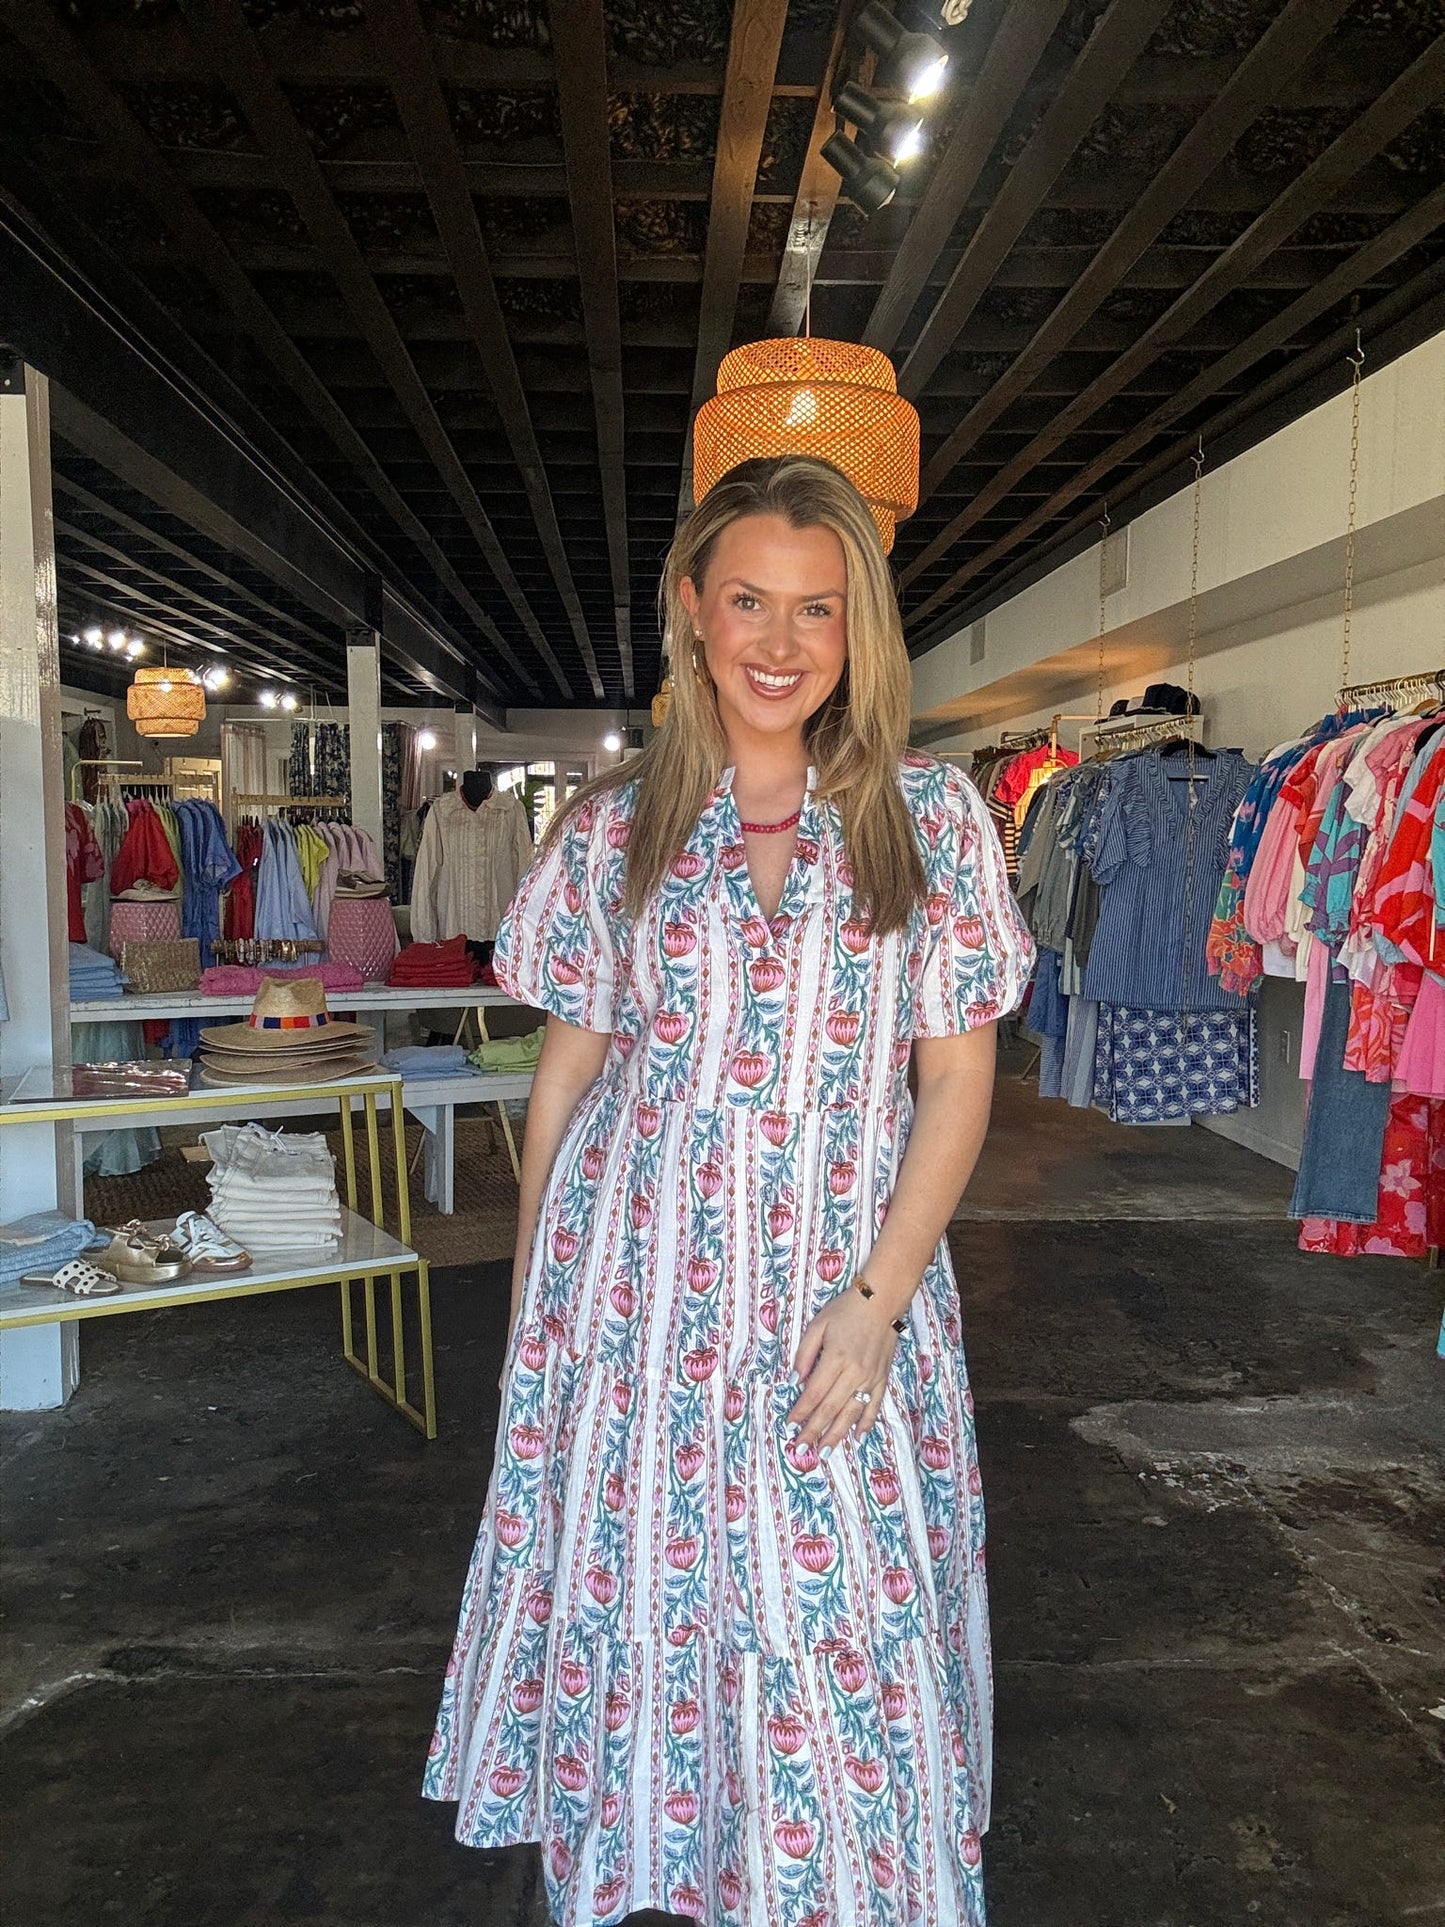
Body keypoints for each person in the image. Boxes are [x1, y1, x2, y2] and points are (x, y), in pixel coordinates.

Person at [422, 454, 1034, 1926]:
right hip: (631, 1294)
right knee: (654, 1598)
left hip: (846, 1277)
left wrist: (881, 1300)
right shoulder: (613, 823)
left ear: (856, 631)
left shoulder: (927, 816)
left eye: (816, 611)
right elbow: (567, 1075)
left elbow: (952, 1080)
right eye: (748, 601)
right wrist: (533, 1315)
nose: (778, 643)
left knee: (849, 1603)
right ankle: (683, 1877)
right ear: (690, 610)